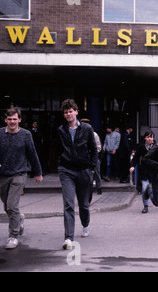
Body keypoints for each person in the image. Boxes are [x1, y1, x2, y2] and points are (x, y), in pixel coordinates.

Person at [56, 99, 98, 250]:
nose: (68, 114)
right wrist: (60, 165)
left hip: (83, 170)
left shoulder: (86, 128)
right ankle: (68, 237)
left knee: (83, 205)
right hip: (66, 170)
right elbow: (58, 149)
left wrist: (91, 168)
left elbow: (93, 150)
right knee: (68, 204)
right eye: (66, 112)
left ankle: (85, 224)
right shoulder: (61, 130)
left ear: (76, 112)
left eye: (70, 111)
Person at [0, 108, 43, 249]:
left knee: (12, 205)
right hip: (3, 175)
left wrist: (38, 172)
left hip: (19, 173)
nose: (12, 122)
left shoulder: (26, 134)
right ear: (5, 120)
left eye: (15, 119)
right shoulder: (0, 133)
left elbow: (32, 153)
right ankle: (19, 219)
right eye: (9, 119)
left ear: (19, 120)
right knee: (7, 206)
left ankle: (13, 236)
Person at [130, 131, 155, 213]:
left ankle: (154, 200)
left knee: (151, 190)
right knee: (144, 188)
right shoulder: (141, 147)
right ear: (145, 138)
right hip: (144, 171)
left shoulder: (156, 147)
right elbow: (136, 158)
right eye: (148, 137)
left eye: (151, 137)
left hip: (154, 171)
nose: (150, 139)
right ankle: (145, 206)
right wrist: (132, 166)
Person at [80, 118, 102, 196]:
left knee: (96, 172)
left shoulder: (94, 134)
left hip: (93, 156)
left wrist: (94, 153)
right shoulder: (79, 134)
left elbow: (98, 146)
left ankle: (99, 187)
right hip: (83, 157)